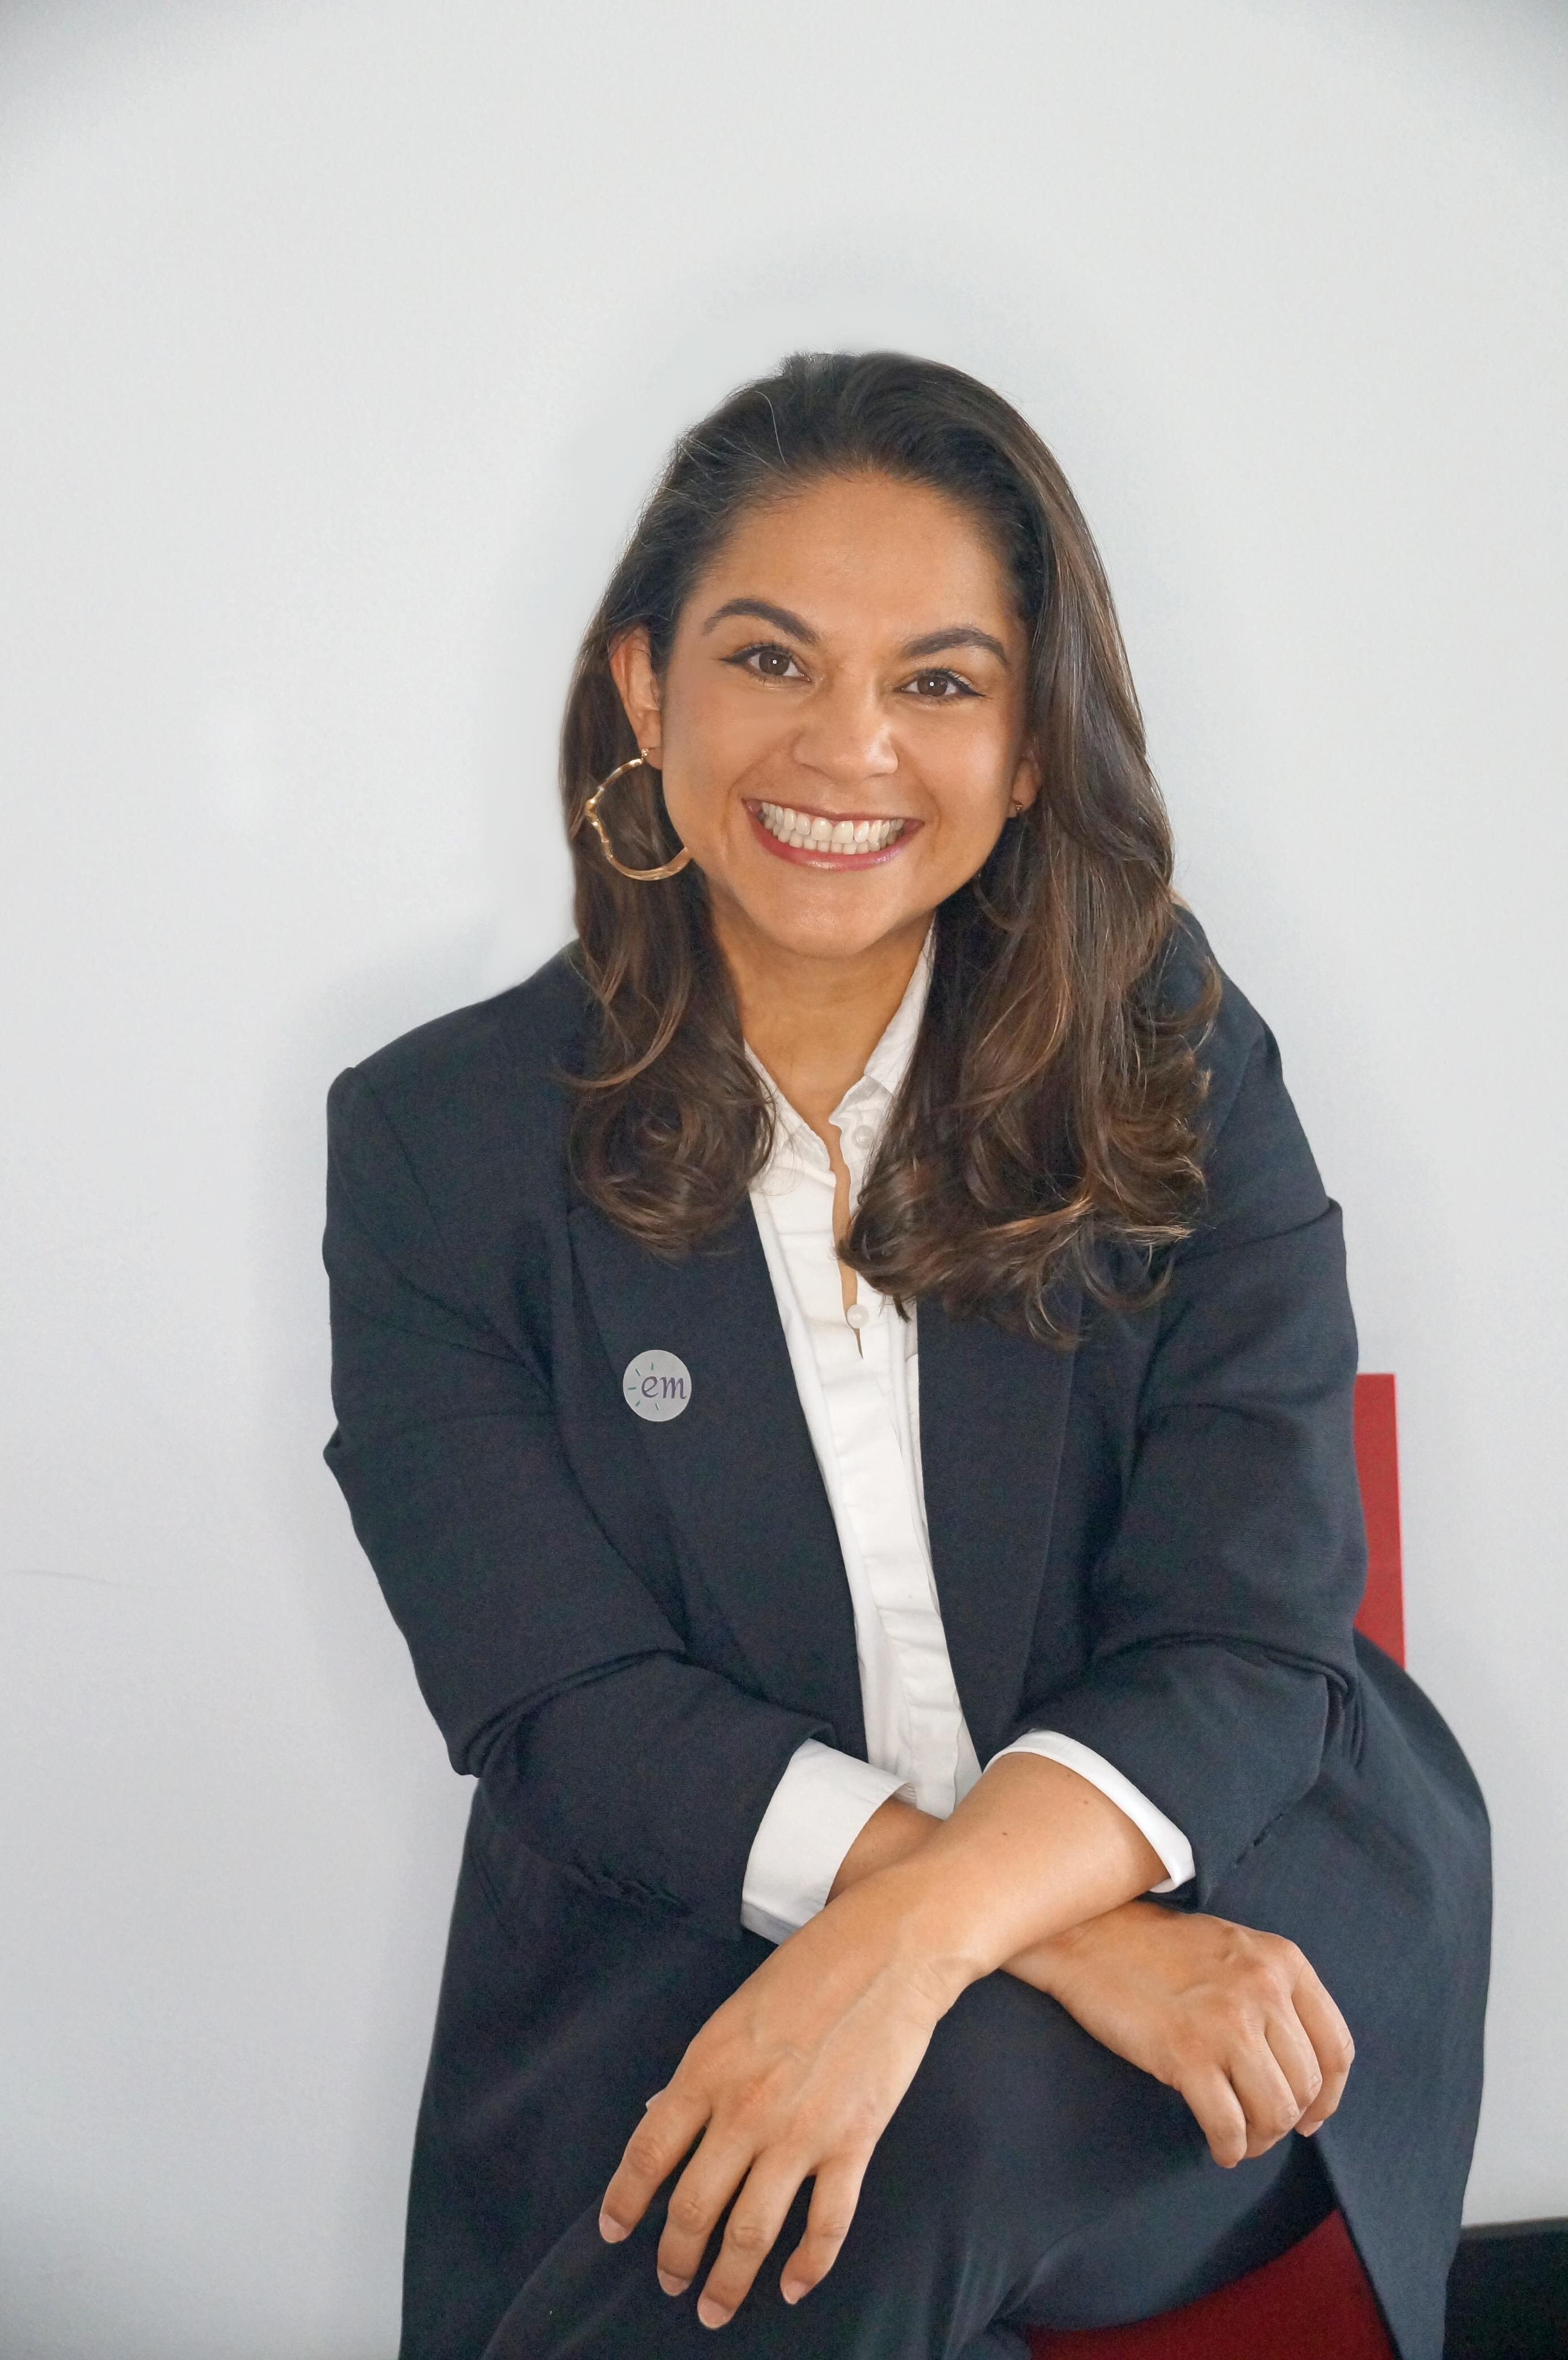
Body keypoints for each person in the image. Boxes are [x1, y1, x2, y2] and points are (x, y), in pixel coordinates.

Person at [322, 351, 1489, 2360]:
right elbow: (555, 1695)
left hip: (1227, 1909)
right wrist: (997, 1944)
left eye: (939, 682)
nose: (846, 745)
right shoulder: (442, 1136)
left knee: (895, 2145)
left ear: (1032, 748)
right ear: (642, 694)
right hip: (690, 1921)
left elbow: (1249, 1623)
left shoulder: (1172, 1056)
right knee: (806, 2156)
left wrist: (934, 1946)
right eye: (770, 660)